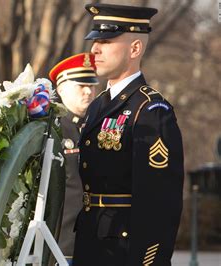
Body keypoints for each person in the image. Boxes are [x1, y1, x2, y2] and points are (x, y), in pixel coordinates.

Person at [73, 4, 184, 266]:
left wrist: (148, 260)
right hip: (92, 242)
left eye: (106, 40)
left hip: (125, 251)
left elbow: (160, 201)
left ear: (135, 49)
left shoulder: (151, 110)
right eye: (94, 40)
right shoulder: (99, 105)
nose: (94, 49)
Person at [48, 53, 98, 265]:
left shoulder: (99, 128)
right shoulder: (51, 130)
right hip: (61, 243)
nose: (88, 91)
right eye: (81, 85)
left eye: (92, 85)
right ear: (61, 89)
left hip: (97, 242)